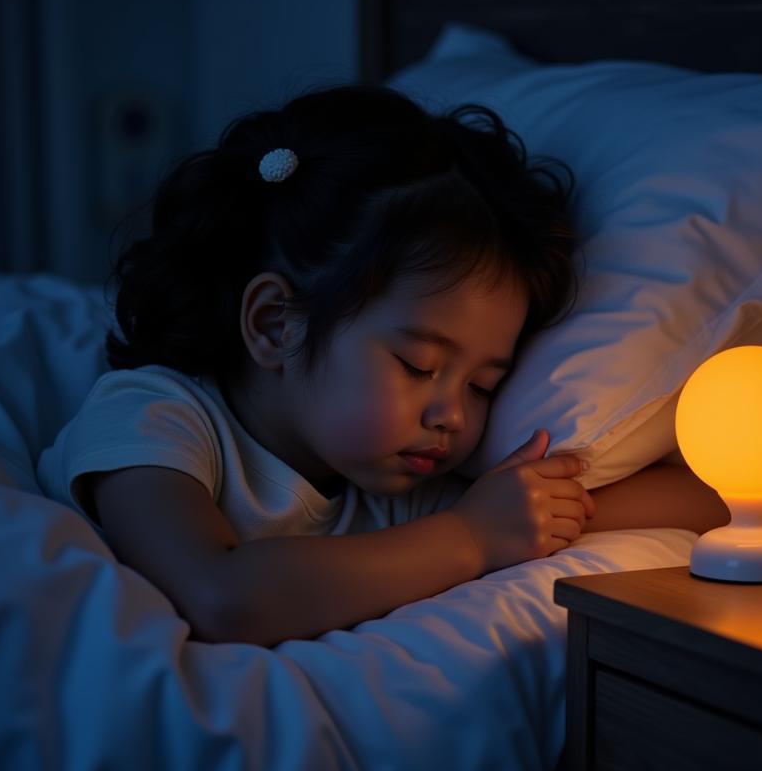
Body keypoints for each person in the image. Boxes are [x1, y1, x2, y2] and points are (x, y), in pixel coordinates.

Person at [37, 84, 727, 646]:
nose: (452, 415)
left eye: (485, 383)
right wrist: (469, 538)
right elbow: (221, 597)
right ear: (276, 324)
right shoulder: (156, 419)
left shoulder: (390, 483)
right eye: (418, 364)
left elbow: (694, 495)